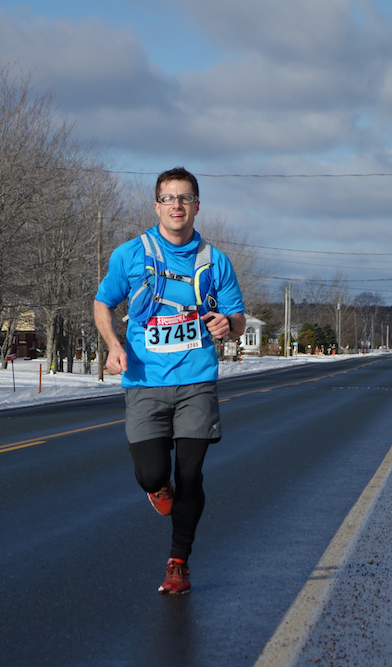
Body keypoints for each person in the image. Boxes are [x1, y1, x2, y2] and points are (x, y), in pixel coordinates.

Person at [93, 167, 246, 595]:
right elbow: (103, 303)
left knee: (191, 474)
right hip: (144, 380)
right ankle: (157, 486)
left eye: (185, 197)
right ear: (156, 206)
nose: (176, 204)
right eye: (168, 198)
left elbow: (237, 318)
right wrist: (113, 344)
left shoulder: (216, 261)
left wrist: (229, 326)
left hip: (197, 380)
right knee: (151, 474)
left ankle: (178, 562)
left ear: (197, 206)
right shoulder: (131, 254)